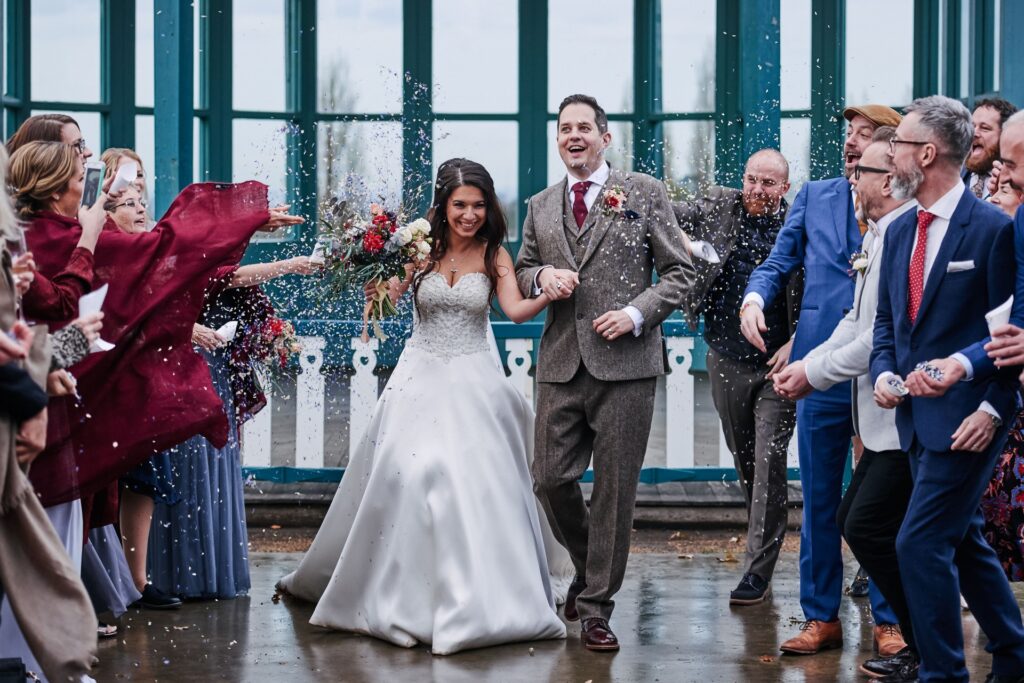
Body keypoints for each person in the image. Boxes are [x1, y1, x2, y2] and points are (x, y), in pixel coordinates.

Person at [277, 158, 572, 655]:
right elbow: (386, 302)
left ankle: (477, 596)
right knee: (410, 475)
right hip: (419, 375)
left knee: (474, 484)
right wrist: (374, 282)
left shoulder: (494, 254)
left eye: (479, 205)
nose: (470, 214)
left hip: (475, 376)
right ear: (443, 205)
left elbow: (515, 311)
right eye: (460, 205)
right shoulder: (417, 250)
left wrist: (548, 290)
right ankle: (403, 593)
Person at [515, 94, 693, 652]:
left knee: (615, 491)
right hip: (562, 363)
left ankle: (595, 607)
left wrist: (637, 313)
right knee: (548, 477)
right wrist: (543, 275)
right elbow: (520, 271)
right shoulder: (541, 205)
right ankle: (593, 566)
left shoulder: (644, 193)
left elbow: (681, 270)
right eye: (565, 128)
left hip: (628, 369)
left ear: (604, 137)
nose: (574, 136)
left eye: (584, 128)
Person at [740, 104, 904, 656]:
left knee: (882, 500)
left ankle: (888, 619)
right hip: (817, 370)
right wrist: (755, 296)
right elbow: (776, 262)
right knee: (817, 497)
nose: (852, 144)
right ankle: (820, 617)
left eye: (866, 136)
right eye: (848, 134)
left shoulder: (903, 205)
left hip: (881, 371)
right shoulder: (815, 196)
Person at [872, 95, 1024, 683]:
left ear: (926, 153)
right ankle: (1012, 652)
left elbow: (1012, 330)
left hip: (970, 420)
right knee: (962, 541)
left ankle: (943, 673)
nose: (888, 157)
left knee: (918, 544)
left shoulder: (993, 231)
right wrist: (886, 374)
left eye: (898, 146)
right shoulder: (897, 229)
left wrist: (994, 406)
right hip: (916, 418)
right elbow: (890, 325)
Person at [774, 129, 921, 678]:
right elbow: (851, 318)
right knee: (827, 506)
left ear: (889, 176)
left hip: (883, 396)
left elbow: (878, 332)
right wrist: (806, 360)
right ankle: (822, 617)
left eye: (863, 163)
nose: (851, 170)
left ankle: (897, 626)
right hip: (833, 378)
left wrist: (810, 370)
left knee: (876, 519)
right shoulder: (849, 214)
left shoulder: (902, 231)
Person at [146, 255, 319, 601]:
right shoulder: (179, 249)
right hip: (186, 370)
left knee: (214, 461)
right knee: (188, 465)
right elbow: (229, 278)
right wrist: (293, 264)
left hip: (216, 369)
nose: (138, 210)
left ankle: (204, 572)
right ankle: (179, 575)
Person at [673, 149, 799, 606]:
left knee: (768, 458)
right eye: (752, 179)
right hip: (725, 356)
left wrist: (800, 342)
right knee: (746, 459)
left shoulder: (797, 221)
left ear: (784, 187)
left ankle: (756, 571)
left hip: (777, 365)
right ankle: (761, 543)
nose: (757, 191)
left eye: (768, 183)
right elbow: (665, 214)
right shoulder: (716, 206)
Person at [0, 142, 98, 683]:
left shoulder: (14, 245)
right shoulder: (29, 240)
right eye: (78, 173)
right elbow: (55, 308)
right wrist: (55, 362)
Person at [963, 97, 1017, 200]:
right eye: (972, 127)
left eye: (985, 128)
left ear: (1005, 135)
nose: (974, 133)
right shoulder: (953, 179)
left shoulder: (1017, 184)